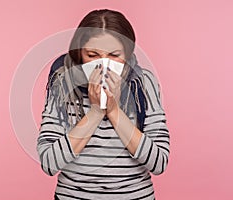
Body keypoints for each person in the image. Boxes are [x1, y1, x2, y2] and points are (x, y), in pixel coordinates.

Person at [37, 9, 170, 200]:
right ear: (79, 54)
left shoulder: (143, 83)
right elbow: (49, 163)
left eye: (114, 55)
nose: (103, 65)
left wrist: (114, 110)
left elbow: (159, 163)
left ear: (128, 54)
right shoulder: (62, 84)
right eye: (92, 55)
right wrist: (96, 111)